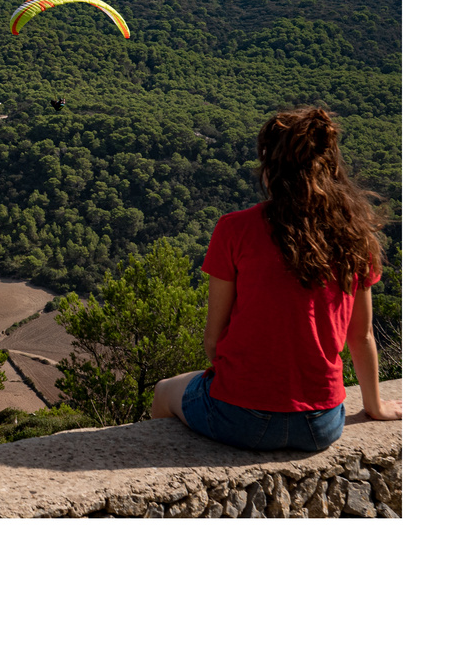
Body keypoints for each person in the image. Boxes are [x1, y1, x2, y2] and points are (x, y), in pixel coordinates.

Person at [150, 106, 402, 450]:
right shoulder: (356, 235)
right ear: (329, 166)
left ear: (269, 164)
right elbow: (361, 336)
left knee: (165, 390)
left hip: (240, 418)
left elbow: (213, 339)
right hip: (322, 424)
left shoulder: (235, 229)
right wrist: (374, 406)